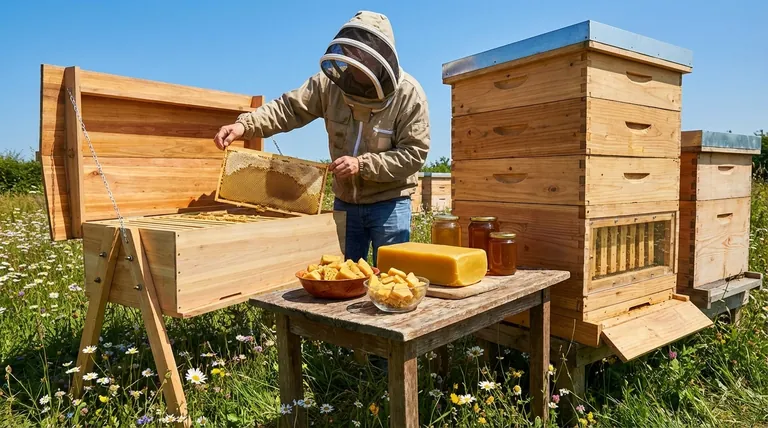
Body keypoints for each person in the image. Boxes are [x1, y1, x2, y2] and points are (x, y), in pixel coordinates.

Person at [214, 11, 430, 266]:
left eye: (363, 54)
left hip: (390, 203)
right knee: (340, 278)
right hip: (345, 203)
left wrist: (362, 165)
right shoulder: (329, 86)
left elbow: (414, 153)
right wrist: (245, 126)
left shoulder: (409, 95)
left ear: (380, 57)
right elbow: (288, 108)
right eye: (353, 53)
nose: (356, 60)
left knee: (395, 278)